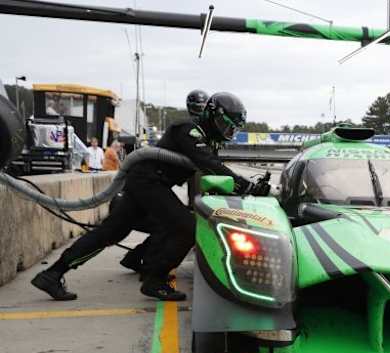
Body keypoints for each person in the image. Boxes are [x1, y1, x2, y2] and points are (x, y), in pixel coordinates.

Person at [31, 92, 254, 301]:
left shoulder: (205, 138)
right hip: (149, 182)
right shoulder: (188, 129)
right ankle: (154, 280)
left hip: (146, 182)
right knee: (186, 227)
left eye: (231, 129)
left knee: (110, 232)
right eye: (226, 125)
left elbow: (209, 166)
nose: (227, 132)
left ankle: (52, 274)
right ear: (212, 116)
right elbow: (209, 164)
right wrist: (247, 185)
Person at [118, 89, 211, 274]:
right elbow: (200, 172)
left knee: (171, 224)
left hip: (141, 189)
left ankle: (136, 260)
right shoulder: (190, 133)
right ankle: (151, 270)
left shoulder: (189, 133)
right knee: (176, 225)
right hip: (146, 189)